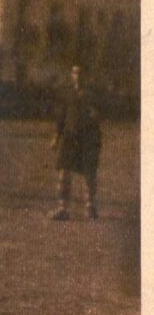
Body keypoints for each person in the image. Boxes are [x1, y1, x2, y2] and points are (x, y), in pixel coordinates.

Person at [50, 65, 103, 221]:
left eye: (81, 72)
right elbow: (61, 116)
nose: (78, 76)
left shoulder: (94, 94)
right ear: (71, 75)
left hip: (88, 138)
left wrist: (97, 114)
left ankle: (90, 207)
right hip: (69, 136)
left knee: (89, 173)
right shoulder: (67, 93)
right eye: (75, 72)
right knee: (63, 172)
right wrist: (56, 137)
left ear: (86, 75)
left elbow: (103, 111)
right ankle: (63, 208)